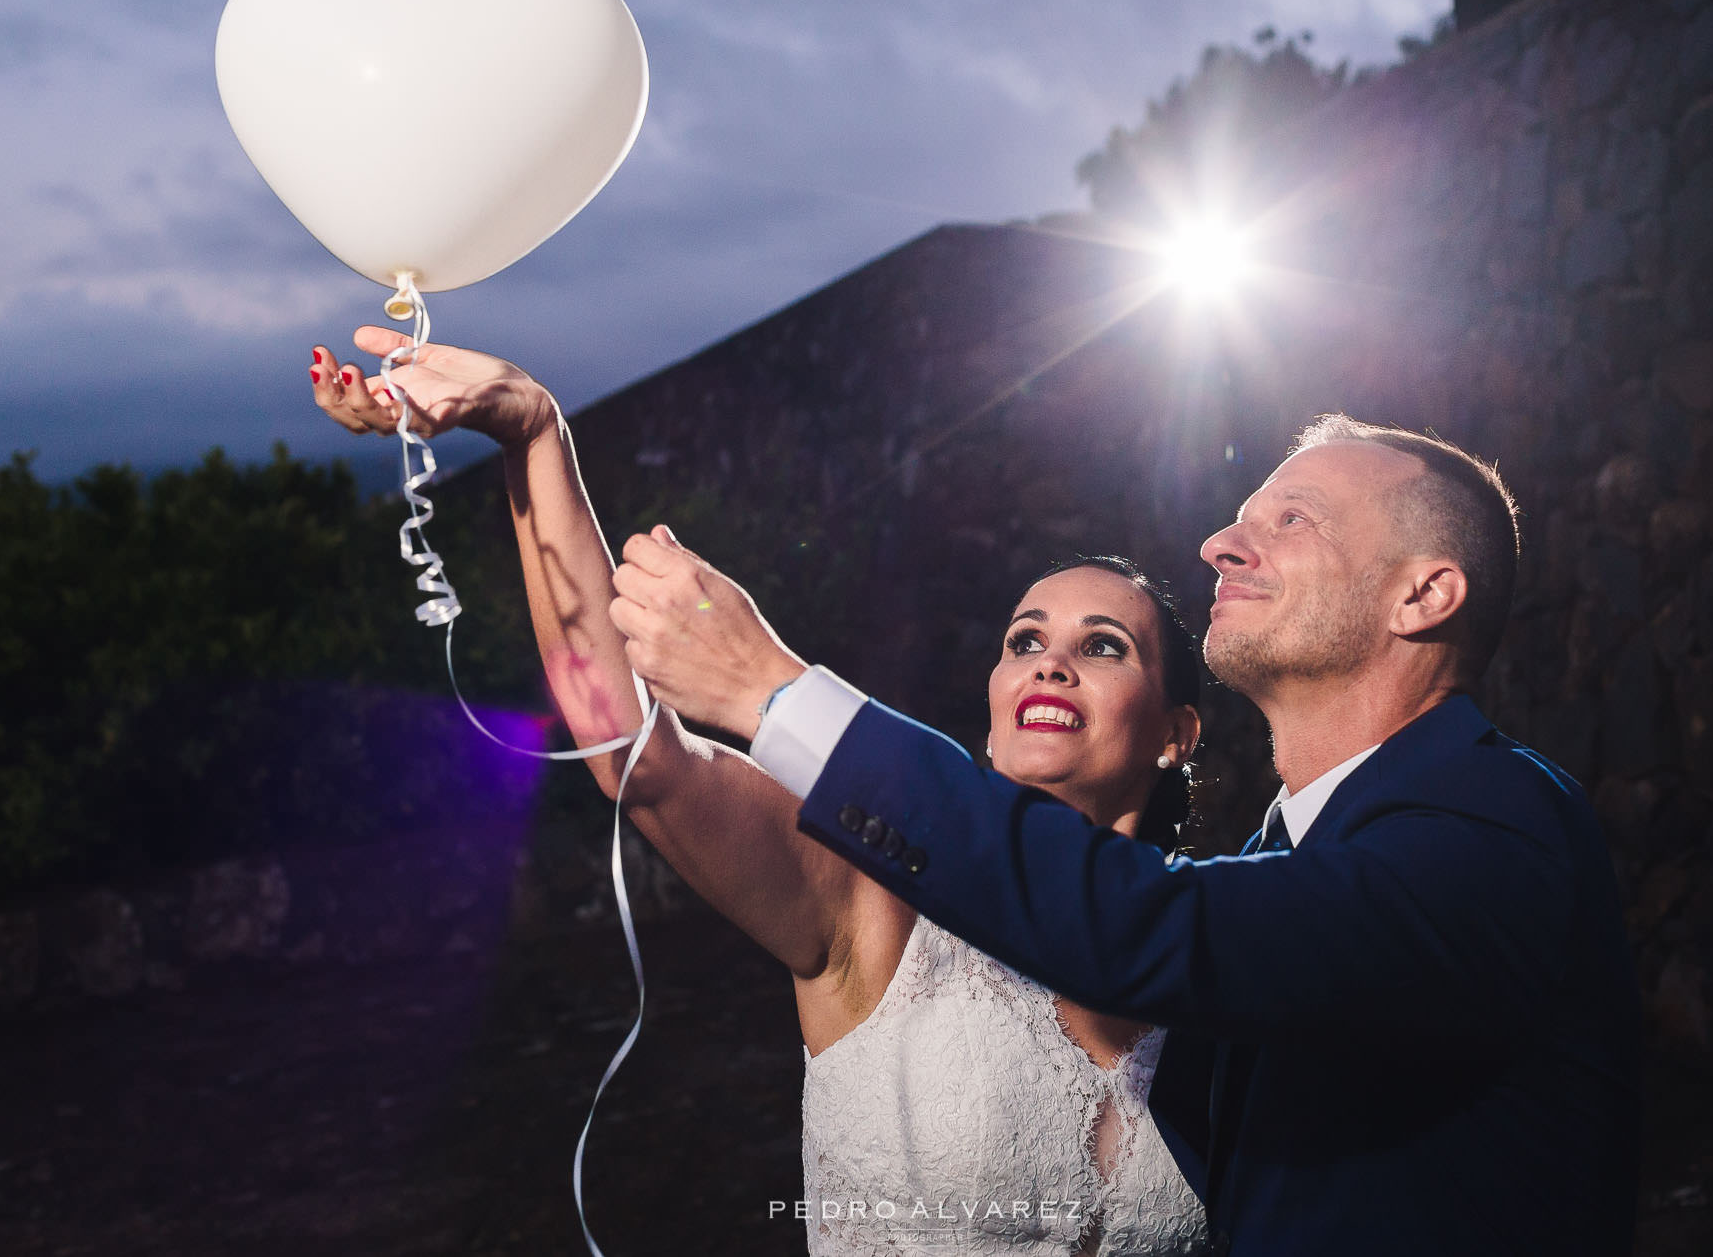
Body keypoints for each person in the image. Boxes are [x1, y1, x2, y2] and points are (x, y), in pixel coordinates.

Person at [610, 416, 1643, 1257]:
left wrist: (775, 694)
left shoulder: (1497, 823)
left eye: (1291, 519)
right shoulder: (1276, 864)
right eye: (1239, 519)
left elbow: (1140, 925)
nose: (1219, 546)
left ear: (1421, 593)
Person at [308, 328, 1212, 1255]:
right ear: (991, 709)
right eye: (1024, 640)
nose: (1050, 664)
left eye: (1104, 645)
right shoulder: (877, 896)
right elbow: (640, 758)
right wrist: (535, 435)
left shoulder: (1227, 948)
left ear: (1178, 732)